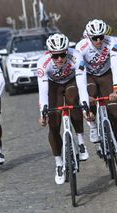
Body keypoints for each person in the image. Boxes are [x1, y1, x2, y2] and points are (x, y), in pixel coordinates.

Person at [38, 33, 94, 185]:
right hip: (53, 86)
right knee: (54, 126)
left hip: (71, 81)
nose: (60, 59)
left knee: (73, 101)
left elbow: (82, 85)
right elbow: (43, 90)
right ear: (50, 54)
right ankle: (58, 164)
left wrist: (85, 107)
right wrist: (43, 112)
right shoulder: (43, 63)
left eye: (63, 55)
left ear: (67, 52)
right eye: (55, 56)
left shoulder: (76, 56)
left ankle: (81, 143)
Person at [76, 19, 117, 171]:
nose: (99, 40)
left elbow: (115, 66)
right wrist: (85, 97)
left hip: (107, 74)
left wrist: (116, 90)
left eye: (101, 36)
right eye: (95, 38)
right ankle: (92, 124)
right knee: (90, 93)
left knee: (115, 113)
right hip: (89, 76)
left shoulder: (112, 42)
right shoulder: (81, 47)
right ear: (89, 37)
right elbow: (79, 73)